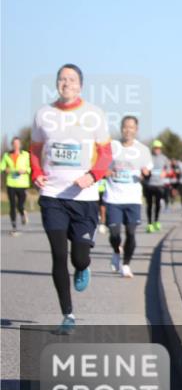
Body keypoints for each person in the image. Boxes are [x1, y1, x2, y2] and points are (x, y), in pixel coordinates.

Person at [30, 64, 112, 334]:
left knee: (79, 258)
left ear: (80, 85)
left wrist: (93, 175)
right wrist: (37, 173)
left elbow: (105, 153)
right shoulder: (44, 114)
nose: (66, 83)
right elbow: (35, 149)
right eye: (62, 79)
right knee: (58, 254)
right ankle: (68, 314)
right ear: (56, 83)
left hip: (84, 197)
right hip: (53, 195)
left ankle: (83, 266)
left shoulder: (94, 114)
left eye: (72, 79)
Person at [105, 116, 152, 278]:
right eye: (125, 127)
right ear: (121, 128)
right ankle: (116, 252)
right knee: (114, 234)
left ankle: (125, 264)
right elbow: (101, 168)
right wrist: (108, 172)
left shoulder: (143, 150)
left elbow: (148, 173)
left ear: (136, 130)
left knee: (131, 233)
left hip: (132, 198)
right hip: (113, 197)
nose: (128, 130)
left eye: (131, 127)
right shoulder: (112, 146)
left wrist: (146, 174)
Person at [2, 137, 31, 236]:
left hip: (22, 183)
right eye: (14, 143)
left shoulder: (26, 155)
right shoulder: (7, 155)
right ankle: (14, 228)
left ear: (20, 144)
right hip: (11, 183)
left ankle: (23, 213)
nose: (16, 145)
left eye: (17, 143)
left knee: (20, 205)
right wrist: (6, 169)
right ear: (12, 144)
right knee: (12, 205)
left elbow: (30, 168)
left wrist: (25, 170)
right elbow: (1, 167)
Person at [144, 139, 170, 232]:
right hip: (149, 184)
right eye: (155, 148)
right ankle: (149, 223)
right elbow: (143, 167)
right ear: (153, 148)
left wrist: (165, 172)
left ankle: (156, 221)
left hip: (159, 184)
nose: (157, 150)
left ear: (160, 149)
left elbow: (169, 167)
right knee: (149, 205)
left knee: (158, 204)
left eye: (158, 148)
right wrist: (145, 171)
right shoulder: (148, 157)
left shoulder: (164, 158)